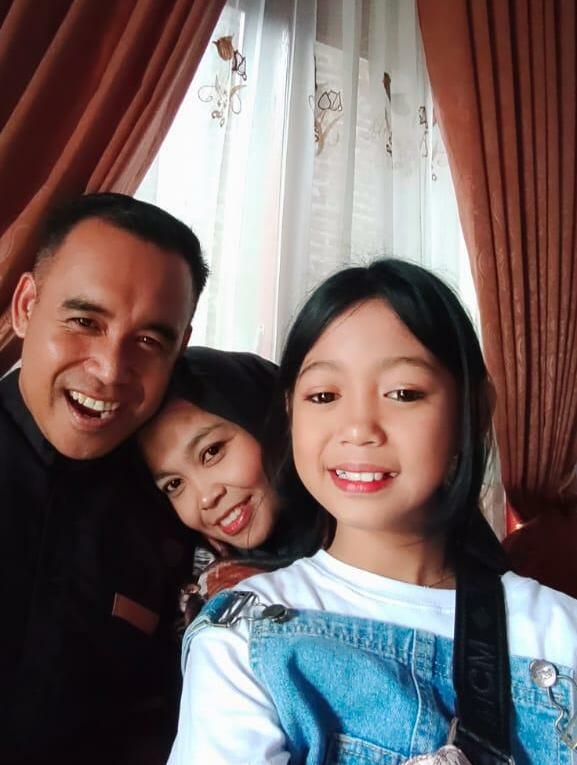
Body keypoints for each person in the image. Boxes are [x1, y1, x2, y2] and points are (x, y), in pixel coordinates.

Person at [169, 259, 577, 765]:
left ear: (471, 412)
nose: (358, 428)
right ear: (292, 413)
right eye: (324, 395)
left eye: (403, 393)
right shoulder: (244, 638)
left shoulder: (560, 633)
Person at [0, 193, 208, 764]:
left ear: (180, 349)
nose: (111, 369)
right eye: (84, 321)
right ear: (26, 306)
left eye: (149, 341)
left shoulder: (180, 505)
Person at [139, 346, 320, 622]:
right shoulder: (199, 596)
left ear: (272, 425)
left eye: (211, 452)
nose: (205, 498)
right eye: (174, 484)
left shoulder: (375, 539)